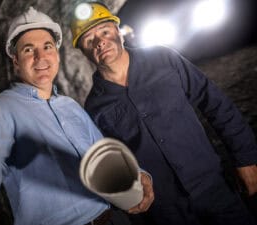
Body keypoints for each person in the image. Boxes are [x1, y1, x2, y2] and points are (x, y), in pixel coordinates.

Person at [0, 7, 154, 225]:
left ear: (58, 55)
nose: (40, 57)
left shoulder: (70, 106)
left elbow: (103, 154)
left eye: (47, 47)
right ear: (16, 62)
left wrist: (139, 175)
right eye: (28, 50)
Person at [70, 2, 257, 225]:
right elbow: (113, 164)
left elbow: (215, 103)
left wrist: (246, 159)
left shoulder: (162, 59)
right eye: (89, 40)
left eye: (105, 31)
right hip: (165, 211)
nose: (100, 42)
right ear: (83, 51)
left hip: (213, 188)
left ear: (118, 31)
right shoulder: (95, 107)